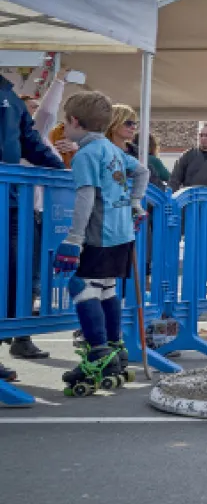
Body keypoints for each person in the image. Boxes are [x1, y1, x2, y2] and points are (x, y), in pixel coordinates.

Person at [52, 91, 149, 394]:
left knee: (81, 287)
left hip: (100, 233)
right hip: (123, 233)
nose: (64, 128)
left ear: (75, 122)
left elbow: (86, 196)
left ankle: (98, 352)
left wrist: (74, 238)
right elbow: (142, 170)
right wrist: (135, 202)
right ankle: (115, 348)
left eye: (64, 122)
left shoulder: (86, 155)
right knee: (106, 288)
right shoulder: (112, 150)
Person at [1, 73, 65, 373]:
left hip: (13, 203)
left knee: (16, 274)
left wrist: (61, 170)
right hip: (12, 200)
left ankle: (16, 336)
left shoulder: (11, 98)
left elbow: (29, 142)